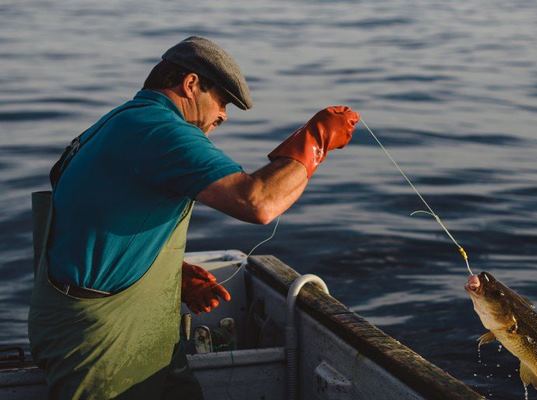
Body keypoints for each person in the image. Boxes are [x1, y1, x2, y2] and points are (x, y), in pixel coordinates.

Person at [28, 36, 359, 399]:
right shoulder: (159, 130)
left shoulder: (119, 122)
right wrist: (317, 139)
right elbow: (258, 202)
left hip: (130, 324)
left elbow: (94, 217)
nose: (223, 116)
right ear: (190, 84)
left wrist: (169, 274)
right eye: (222, 101)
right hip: (102, 341)